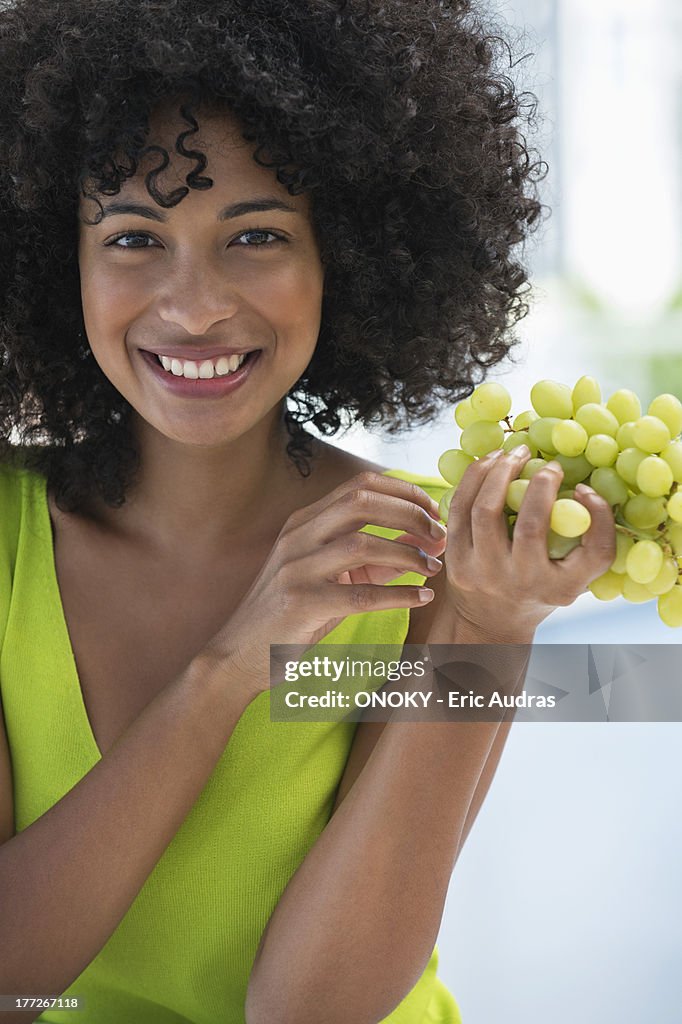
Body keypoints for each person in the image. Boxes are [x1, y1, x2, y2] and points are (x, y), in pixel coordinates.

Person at [0, 0, 616, 1021]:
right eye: (133, 237)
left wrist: (489, 628)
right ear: (54, 259)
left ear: (347, 253)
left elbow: (310, 1010)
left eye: (255, 234)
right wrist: (229, 670)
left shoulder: (434, 556)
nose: (193, 304)